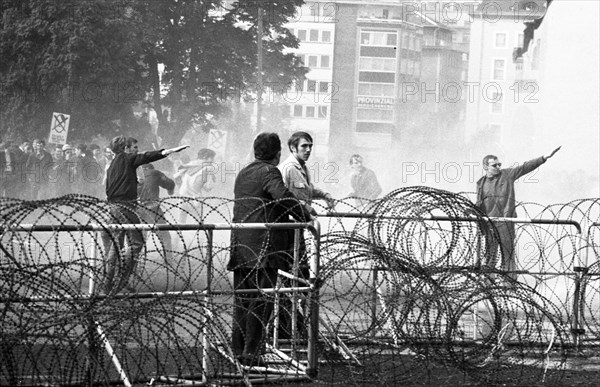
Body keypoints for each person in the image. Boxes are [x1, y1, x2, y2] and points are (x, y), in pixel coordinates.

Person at [227, 132, 312, 366]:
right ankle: (251, 352)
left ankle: (239, 350)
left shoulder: (244, 171)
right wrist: (305, 216)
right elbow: (282, 196)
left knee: (243, 300)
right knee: (261, 299)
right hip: (263, 247)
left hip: (241, 244)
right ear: (277, 154)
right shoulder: (269, 171)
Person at [100, 135, 188, 294]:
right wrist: (168, 151)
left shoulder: (113, 164)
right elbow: (147, 156)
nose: (137, 151)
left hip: (114, 207)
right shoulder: (127, 159)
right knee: (136, 243)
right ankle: (120, 281)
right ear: (125, 149)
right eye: (134, 148)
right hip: (126, 207)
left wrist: (134, 182)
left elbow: (110, 187)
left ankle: (109, 284)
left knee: (116, 245)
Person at [475, 146, 561, 278]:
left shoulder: (507, 175)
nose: (498, 167)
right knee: (490, 256)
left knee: (508, 255)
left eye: (499, 164)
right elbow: (479, 204)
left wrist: (544, 158)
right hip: (490, 224)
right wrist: (470, 210)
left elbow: (524, 167)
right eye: (494, 165)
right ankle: (489, 285)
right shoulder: (481, 183)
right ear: (486, 167)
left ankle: (509, 285)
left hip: (505, 222)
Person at [279, 131, 335, 212]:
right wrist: (305, 207)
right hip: (290, 221)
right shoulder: (287, 168)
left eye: (310, 146)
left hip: (303, 220)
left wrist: (325, 195)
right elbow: (281, 197)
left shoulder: (303, 168)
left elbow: (308, 190)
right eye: (304, 146)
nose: (308, 150)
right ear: (293, 148)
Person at [137, 163, 176, 259]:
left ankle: (134, 262)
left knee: (137, 238)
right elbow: (169, 183)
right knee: (164, 235)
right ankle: (169, 261)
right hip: (152, 209)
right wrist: (170, 190)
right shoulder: (154, 172)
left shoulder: (131, 174)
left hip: (135, 209)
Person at [175, 148, 217, 223]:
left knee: (180, 223)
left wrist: (182, 187)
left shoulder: (189, 165)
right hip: (195, 200)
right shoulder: (208, 168)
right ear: (205, 157)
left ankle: (178, 235)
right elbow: (208, 188)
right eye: (212, 158)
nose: (213, 161)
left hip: (181, 198)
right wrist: (213, 181)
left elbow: (176, 177)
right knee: (199, 225)